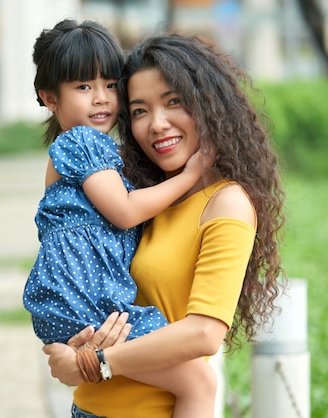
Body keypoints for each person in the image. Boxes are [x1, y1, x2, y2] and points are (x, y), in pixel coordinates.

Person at [42, 32, 286, 418]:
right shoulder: (136, 191)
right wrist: (75, 346)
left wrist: (96, 361)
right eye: (139, 111)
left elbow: (204, 333)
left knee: (200, 384)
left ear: (209, 105)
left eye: (174, 102)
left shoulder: (226, 204)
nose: (157, 124)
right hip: (88, 410)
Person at [22, 20, 217, 418]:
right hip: (91, 304)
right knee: (200, 382)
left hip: (75, 303)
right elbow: (126, 212)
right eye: (83, 87)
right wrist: (191, 176)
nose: (101, 99)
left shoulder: (82, 152)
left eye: (110, 85)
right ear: (50, 98)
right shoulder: (82, 142)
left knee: (193, 380)